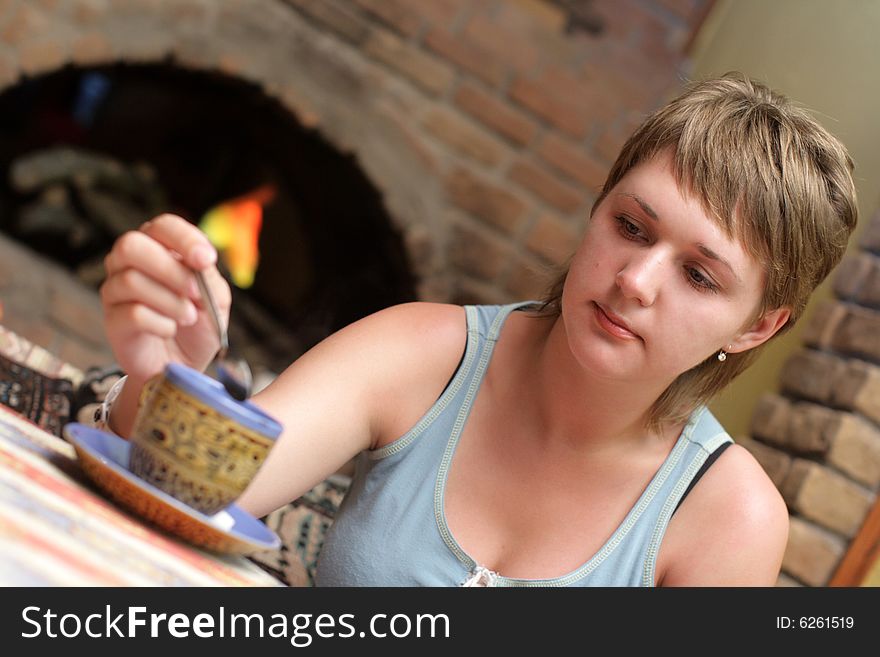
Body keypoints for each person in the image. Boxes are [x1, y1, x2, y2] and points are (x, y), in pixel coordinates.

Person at [97, 73, 858, 586]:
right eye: (631, 225)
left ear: (758, 327)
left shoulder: (727, 518)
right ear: (597, 209)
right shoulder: (421, 351)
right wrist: (169, 372)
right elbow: (190, 487)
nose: (635, 279)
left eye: (699, 274)